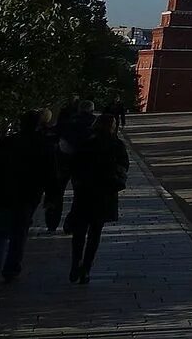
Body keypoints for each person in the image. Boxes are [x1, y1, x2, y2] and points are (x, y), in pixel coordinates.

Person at [0, 110, 56, 288]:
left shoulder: (7, 143)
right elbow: (50, 173)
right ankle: (11, 269)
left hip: (3, 194)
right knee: (19, 234)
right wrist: (51, 197)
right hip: (27, 197)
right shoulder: (43, 144)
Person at [63, 115, 129, 285]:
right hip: (104, 194)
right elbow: (124, 166)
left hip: (84, 193)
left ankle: (75, 263)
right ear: (112, 127)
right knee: (95, 234)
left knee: (79, 232)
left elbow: (73, 164)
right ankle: (86, 268)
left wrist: (77, 181)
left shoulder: (85, 141)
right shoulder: (116, 144)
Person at [45, 101, 94, 232]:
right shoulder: (93, 123)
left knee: (57, 191)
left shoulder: (68, 121)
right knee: (79, 196)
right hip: (82, 163)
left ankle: (52, 222)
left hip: (63, 160)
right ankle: (71, 223)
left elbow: (53, 134)